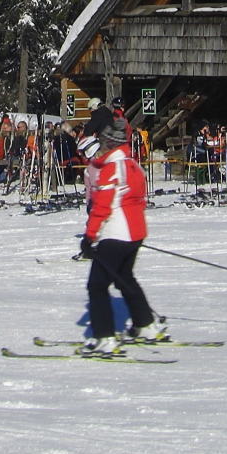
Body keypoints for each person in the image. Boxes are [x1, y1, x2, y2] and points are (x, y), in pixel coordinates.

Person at [78, 115, 160, 355]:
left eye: (103, 142)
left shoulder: (111, 169)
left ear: (108, 143)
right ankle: (145, 325)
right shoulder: (133, 165)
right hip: (136, 232)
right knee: (125, 277)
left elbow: (101, 206)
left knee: (97, 286)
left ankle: (105, 338)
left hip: (116, 232)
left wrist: (89, 237)